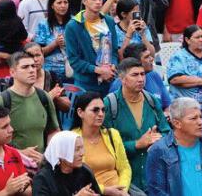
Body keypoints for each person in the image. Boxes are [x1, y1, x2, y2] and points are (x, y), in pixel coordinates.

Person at [103, 58, 170, 192]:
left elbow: (166, 132)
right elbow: (106, 145)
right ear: (122, 79)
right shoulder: (110, 104)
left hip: (154, 176)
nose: (140, 79)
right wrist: (136, 144)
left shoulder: (151, 100)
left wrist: (158, 140)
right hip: (126, 181)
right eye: (135, 75)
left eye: (142, 74)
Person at [146, 97, 202, 196]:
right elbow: (156, 191)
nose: (200, 122)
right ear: (177, 123)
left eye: (200, 117)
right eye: (193, 118)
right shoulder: (159, 151)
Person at [0, 51, 59, 158]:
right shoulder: (2, 101)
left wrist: (47, 156)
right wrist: (20, 153)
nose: (31, 70)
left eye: (33, 66)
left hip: (41, 163)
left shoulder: (44, 97)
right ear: (12, 72)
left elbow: (53, 131)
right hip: (12, 163)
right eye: (25, 67)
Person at [71, 91, 137, 196]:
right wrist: (104, 190)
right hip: (91, 192)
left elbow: (124, 167)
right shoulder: (72, 139)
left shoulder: (112, 134)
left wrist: (122, 189)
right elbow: (73, 177)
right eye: (95, 110)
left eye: (103, 110)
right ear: (80, 112)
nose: (101, 114)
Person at [167, 25, 202, 131]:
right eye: (197, 37)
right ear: (187, 40)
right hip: (189, 111)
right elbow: (175, 79)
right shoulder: (179, 57)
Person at [64, 0, 119, 94]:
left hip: (108, 81)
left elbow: (114, 51)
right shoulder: (73, 26)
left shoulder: (109, 21)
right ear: (84, 1)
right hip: (85, 84)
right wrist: (98, 70)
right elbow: (74, 60)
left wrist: (112, 65)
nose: (98, 2)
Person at [32, 130, 102, 196]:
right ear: (62, 152)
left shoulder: (85, 171)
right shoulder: (43, 178)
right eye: (77, 149)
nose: (82, 153)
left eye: (82, 148)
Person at [110, 43, 171, 111]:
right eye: (147, 57)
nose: (152, 59)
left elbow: (167, 105)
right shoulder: (119, 85)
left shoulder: (154, 76)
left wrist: (166, 113)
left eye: (150, 55)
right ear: (135, 62)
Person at [33, 0, 71, 81]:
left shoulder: (74, 23)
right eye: (59, 3)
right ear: (52, 5)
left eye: (65, 2)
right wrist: (55, 44)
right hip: (50, 74)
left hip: (72, 72)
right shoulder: (43, 25)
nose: (63, 6)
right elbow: (37, 52)